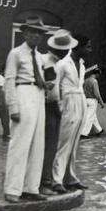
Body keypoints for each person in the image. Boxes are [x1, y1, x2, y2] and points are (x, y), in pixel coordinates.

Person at [4, 17, 50, 203]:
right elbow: (9, 80)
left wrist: (45, 86)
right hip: (22, 93)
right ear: (24, 33)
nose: (36, 35)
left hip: (38, 96)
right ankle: (12, 189)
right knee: (20, 144)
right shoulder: (15, 54)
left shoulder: (39, 57)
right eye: (32, 31)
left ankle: (31, 188)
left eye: (39, 33)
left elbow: (39, 78)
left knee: (37, 145)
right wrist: (13, 107)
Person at [51, 31, 89, 193]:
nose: (89, 50)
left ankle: (70, 178)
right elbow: (55, 87)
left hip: (80, 102)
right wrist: (60, 107)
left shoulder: (81, 64)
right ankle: (56, 179)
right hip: (68, 102)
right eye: (87, 47)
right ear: (78, 47)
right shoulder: (63, 64)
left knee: (74, 143)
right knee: (63, 142)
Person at [40, 39, 62, 195]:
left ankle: (48, 177)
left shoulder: (57, 64)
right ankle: (44, 180)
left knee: (53, 145)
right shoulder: (45, 61)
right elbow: (47, 85)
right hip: (46, 105)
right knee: (47, 144)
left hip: (55, 105)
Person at [82, 65, 105, 137]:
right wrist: (101, 103)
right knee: (90, 117)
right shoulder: (94, 81)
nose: (99, 76)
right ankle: (84, 133)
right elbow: (97, 94)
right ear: (97, 74)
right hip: (92, 100)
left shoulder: (86, 80)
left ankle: (99, 130)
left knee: (92, 115)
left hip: (85, 99)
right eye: (99, 74)